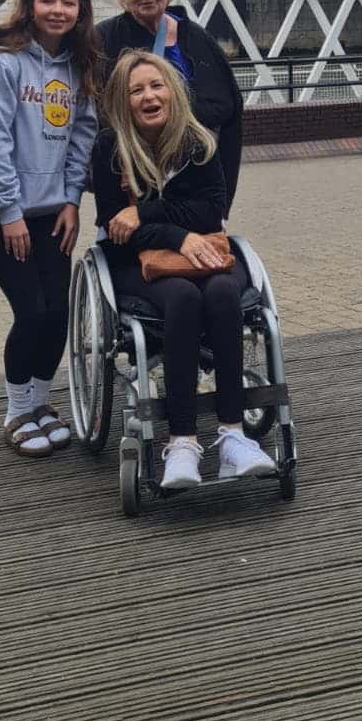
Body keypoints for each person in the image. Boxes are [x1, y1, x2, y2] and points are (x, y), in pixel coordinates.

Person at [92, 50, 274, 491]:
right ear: (122, 100)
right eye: (136, 90)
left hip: (202, 251)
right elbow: (118, 230)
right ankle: (182, 442)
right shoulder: (109, 150)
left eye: (156, 86)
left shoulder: (197, 143)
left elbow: (212, 210)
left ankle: (233, 436)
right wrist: (178, 236)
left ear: (172, 91)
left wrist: (148, 213)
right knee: (183, 297)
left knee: (223, 293)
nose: (148, 96)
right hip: (135, 262)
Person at [0, 0, 99, 458]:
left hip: (54, 211)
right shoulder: (3, 64)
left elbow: (82, 135)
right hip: (4, 212)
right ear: (29, 5)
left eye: (68, 3)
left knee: (58, 312)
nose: (58, 11)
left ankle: (42, 404)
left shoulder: (79, 65)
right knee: (31, 311)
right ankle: (16, 411)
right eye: (48, 1)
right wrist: (9, 211)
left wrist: (73, 199)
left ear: (80, 12)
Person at [96, 0, 244, 209]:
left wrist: (222, 199)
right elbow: (96, 112)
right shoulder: (105, 39)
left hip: (194, 180)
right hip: (132, 185)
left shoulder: (196, 37)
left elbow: (227, 107)